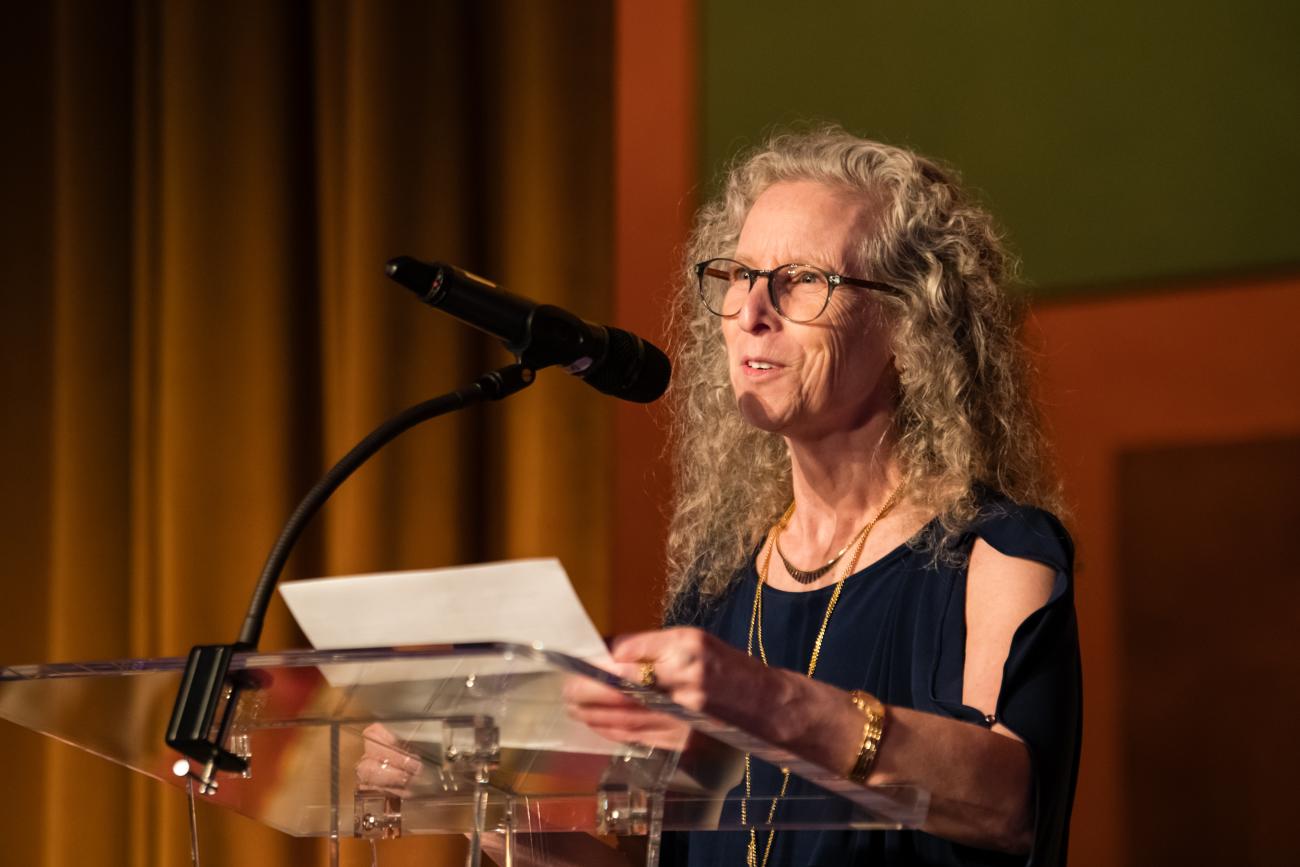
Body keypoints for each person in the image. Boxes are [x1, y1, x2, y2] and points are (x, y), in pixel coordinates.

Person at [362, 126, 1081, 866]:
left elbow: (1011, 805)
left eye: (802, 278)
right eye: (739, 274)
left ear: (907, 321)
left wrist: (767, 700)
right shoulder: (721, 584)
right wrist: (480, 801)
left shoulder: (997, 554)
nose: (749, 310)